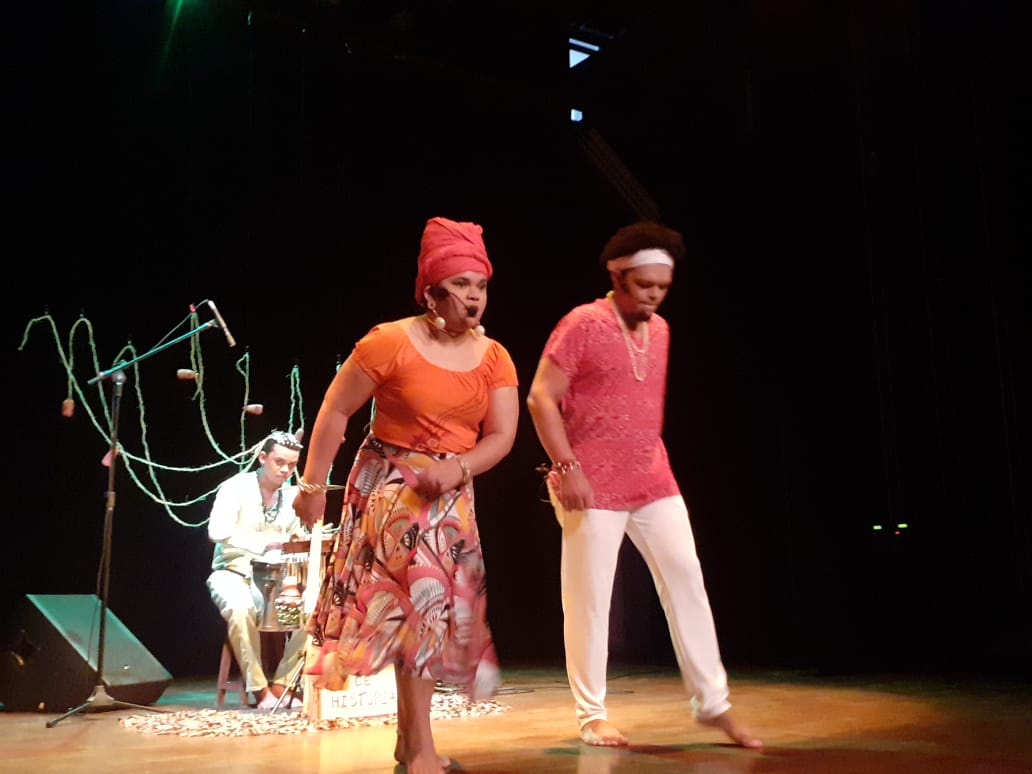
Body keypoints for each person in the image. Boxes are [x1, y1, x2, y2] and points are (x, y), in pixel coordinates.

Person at [294, 216, 519, 774]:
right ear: (431, 290)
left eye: (481, 285)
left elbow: (502, 436)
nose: (473, 297)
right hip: (391, 488)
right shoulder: (389, 341)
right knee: (418, 611)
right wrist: (312, 486)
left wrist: (457, 469)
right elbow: (336, 410)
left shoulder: (495, 357)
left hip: (451, 498)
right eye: (460, 284)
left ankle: (410, 745)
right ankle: (419, 751)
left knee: (425, 617)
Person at [525, 221, 762, 749]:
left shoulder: (663, 331)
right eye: (644, 285)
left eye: (663, 287)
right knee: (590, 599)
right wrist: (567, 467)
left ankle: (714, 704)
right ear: (617, 276)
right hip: (590, 483)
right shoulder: (584, 323)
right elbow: (541, 397)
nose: (654, 296)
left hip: (654, 478)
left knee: (687, 580)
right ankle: (592, 715)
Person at [206, 430, 309, 710]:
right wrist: (264, 543)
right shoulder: (235, 488)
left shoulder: (291, 496)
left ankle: (282, 684)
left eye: (292, 465)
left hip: (277, 578)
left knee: (315, 609)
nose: (285, 470)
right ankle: (259, 689)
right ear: (263, 458)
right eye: (279, 462)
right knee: (240, 608)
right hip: (233, 573)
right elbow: (216, 531)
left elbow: (295, 539)